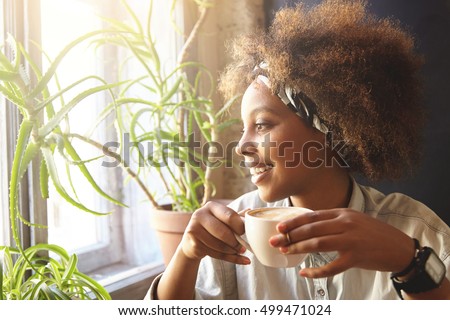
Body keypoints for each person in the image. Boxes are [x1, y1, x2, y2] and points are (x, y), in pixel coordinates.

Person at [147, 0, 450, 299]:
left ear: (328, 129)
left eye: (262, 125)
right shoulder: (232, 230)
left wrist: (408, 263)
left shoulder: (417, 232)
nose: (241, 146)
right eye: (244, 129)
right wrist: (187, 255)